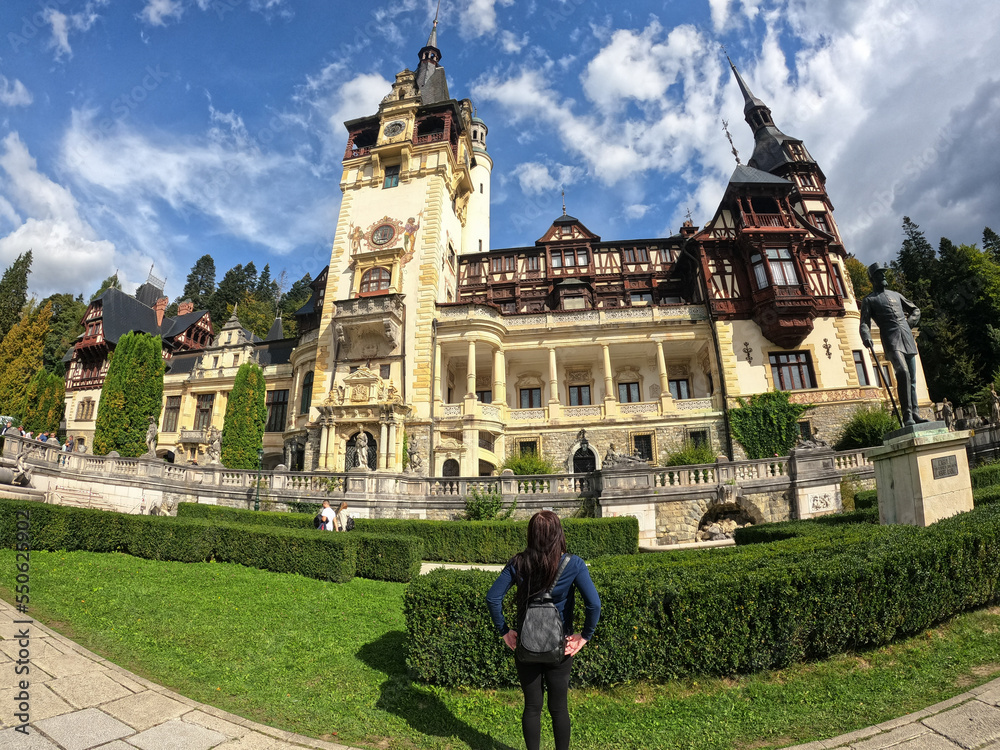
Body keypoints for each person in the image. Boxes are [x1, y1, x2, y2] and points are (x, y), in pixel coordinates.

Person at [486, 511, 601, 750]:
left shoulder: (518, 563)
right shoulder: (573, 564)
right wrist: (584, 636)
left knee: (532, 707)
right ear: (559, 533)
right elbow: (594, 604)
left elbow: (493, 598)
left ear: (531, 534)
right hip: (561, 645)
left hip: (526, 644)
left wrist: (504, 631)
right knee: (559, 708)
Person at [859, 263, 928, 427]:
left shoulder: (896, 295)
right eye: (879, 274)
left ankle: (915, 413)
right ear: (872, 279)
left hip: (907, 337)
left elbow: (916, 310)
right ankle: (907, 415)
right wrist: (866, 336)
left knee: (912, 379)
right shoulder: (869, 300)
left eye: (883, 273)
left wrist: (909, 323)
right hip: (891, 340)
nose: (883, 276)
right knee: (903, 372)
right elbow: (864, 323)